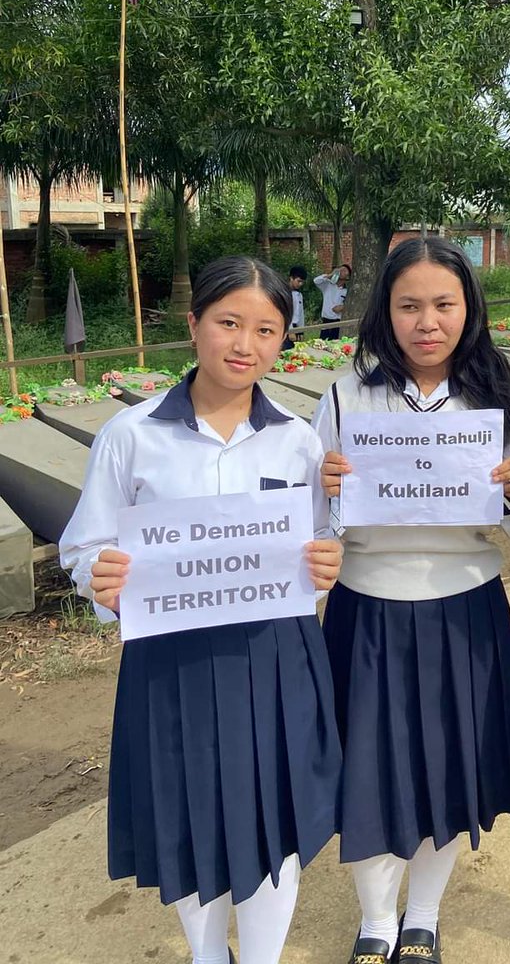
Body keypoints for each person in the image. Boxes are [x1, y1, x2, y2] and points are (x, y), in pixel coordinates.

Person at [59, 257, 344, 964]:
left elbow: (321, 537)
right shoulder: (132, 435)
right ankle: (207, 953)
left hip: (275, 656)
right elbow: (85, 543)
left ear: (285, 340)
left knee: (271, 815)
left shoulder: (297, 439)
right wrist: (100, 576)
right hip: (171, 659)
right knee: (187, 811)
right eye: (228, 323)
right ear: (193, 325)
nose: (244, 344)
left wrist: (325, 562)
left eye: (267, 330)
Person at [313, 236, 510, 964]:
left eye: (444, 304)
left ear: (468, 310)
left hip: (463, 605)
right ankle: (376, 920)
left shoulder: (497, 397)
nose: (427, 321)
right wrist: (331, 490)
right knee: (371, 767)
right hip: (367, 605)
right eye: (409, 305)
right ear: (386, 311)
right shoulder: (348, 395)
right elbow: (317, 521)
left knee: (448, 767)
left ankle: (424, 919)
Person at [314, 263, 351, 339]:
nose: (341, 271)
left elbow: (351, 305)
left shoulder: (347, 291)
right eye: (340, 269)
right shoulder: (328, 285)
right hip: (326, 320)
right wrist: (330, 275)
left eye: (344, 271)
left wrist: (343, 307)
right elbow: (316, 281)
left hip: (338, 321)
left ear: (348, 277)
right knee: (323, 343)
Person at [281, 264, 308, 351]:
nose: (300, 284)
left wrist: (301, 331)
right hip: (286, 328)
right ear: (291, 278)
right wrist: (290, 330)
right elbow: (284, 314)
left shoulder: (299, 295)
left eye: (302, 282)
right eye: (298, 281)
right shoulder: (284, 293)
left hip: (296, 329)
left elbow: (300, 315)